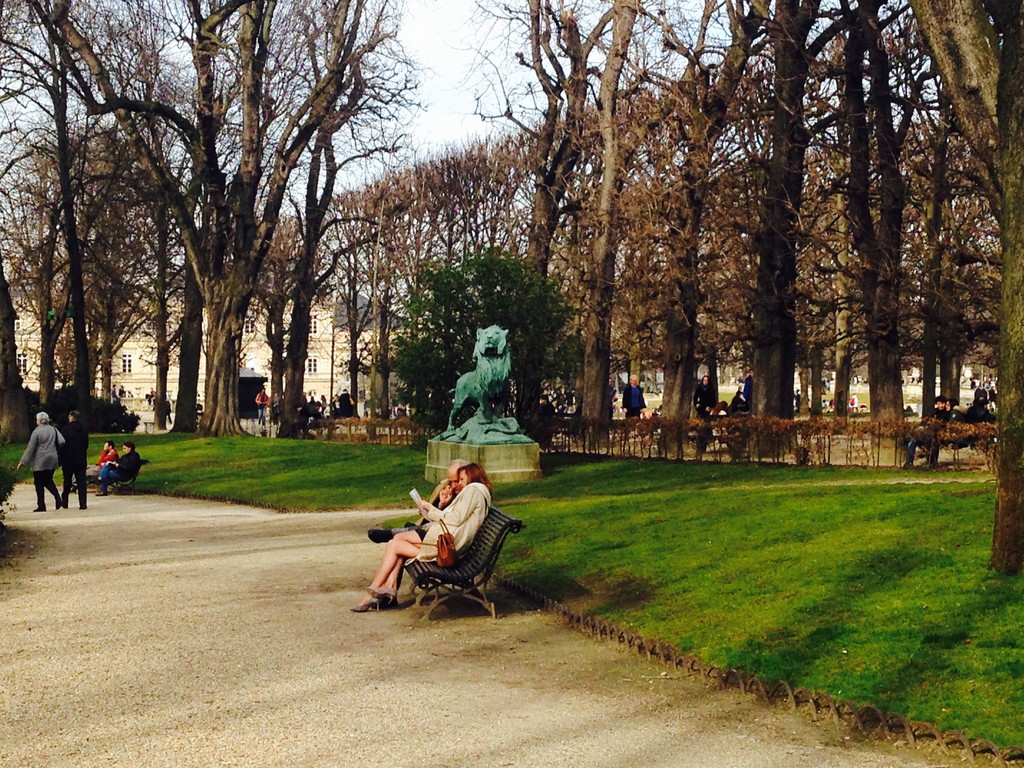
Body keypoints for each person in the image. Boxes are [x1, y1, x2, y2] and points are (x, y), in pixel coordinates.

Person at [352, 462, 492, 612]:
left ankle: (373, 592)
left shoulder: (473, 490)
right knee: (396, 542)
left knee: (395, 544)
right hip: (448, 543)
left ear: (472, 476)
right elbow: (457, 517)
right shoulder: (476, 491)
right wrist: (437, 508)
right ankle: (388, 588)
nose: (460, 483)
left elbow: (456, 518)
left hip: (447, 547)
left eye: (462, 479)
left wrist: (431, 509)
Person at [367, 459, 468, 544]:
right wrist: (441, 504)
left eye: (457, 481)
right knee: (399, 542)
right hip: (434, 530)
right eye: (451, 481)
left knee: (398, 542)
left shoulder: (467, 496)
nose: (454, 485)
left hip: (444, 539)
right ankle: (398, 532)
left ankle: (392, 533)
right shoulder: (448, 489)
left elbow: (449, 521)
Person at [17, 412, 66, 512]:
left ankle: (41, 505)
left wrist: (23, 461)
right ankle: (57, 497)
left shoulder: (37, 432)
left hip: (40, 460)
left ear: (39, 420)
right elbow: (62, 441)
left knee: (39, 483)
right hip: (52, 458)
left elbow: (31, 448)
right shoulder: (54, 429)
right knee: (48, 480)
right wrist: (54, 448)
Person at [59, 410, 89, 511]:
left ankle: (65, 501)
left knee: (67, 481)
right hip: (80, 459)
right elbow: (86, 445)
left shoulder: (66, 430)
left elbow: (62, 444)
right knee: (81, 482)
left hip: (68, 459)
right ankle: (83, 503)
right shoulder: (84, 430)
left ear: (71, 417)